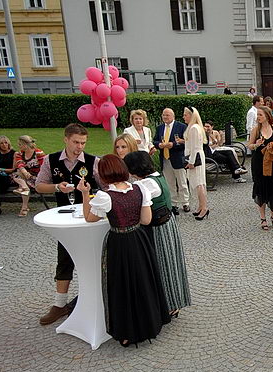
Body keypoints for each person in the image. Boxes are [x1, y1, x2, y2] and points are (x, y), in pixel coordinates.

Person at [78, 154, 170, 347]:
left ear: (103, 174)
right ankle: (151, 322)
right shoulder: (140, 189)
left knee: (122, 284)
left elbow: (89, 217)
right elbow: (146, 220)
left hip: (120, 243)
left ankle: (128, 330)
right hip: (139, 239)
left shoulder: (105, 197)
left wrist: (85, 194)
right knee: (143, 279)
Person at [35, 123, 101, 325]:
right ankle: (59, 304)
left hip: (89, 219)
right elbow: (39, 186)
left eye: (83, 143)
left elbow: (107, 187)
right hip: (65, 220)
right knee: (64, 259)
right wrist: (57, 187)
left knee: (96, 258)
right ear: (66, 139)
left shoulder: (93, 161)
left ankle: (98, 299)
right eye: (76, 142)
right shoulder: (51, 160)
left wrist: (92, 195)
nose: (79, 147)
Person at [125, 151, 192, 318]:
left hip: (159, 228)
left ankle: (169, 305)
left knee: (164, 265)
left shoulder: (145, 184)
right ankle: (173, 302)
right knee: (172, 263)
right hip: (168, 224)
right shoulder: (157, 177)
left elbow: (131, 203)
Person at [248, 106, 273, 231]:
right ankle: (263, 218)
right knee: (260, 189)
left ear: (267, 116)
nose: (258, 117)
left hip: (272, 162)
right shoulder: (256, 129)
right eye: (257, 115)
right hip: (259, 162)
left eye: (260, 115)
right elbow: (249, 145)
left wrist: (272, 146)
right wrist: (256, 145)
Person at [154, 108, 190, 215]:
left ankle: (185, 202)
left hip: (177, 158)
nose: (165, 117)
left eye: (167, 115)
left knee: (182, 182)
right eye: (163, 115)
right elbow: (155, 141)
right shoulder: (160, 128)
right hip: (165, 159)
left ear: (173, 116)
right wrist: (159, 145)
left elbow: (186, 142)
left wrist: (173, 144)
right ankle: (173, 204)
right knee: (170, 183)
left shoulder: (181, 126)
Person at [182, 107, 210, 220]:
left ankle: (204, 208)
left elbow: (195, 147)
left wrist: (191, 162)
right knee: (199, 183)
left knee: (199, 184)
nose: (184, 117)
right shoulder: (195, 127)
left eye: (185, 115)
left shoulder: (194, 128)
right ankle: (201, 206)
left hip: (195, 157)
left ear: (191, 115)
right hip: (196, 156)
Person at [10, 135, 45, 217]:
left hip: (38, 177)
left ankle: (24, 206)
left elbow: (44, 167)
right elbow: (20, 165)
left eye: (20, 144)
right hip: (25, 176)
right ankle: (25, 189)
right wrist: (25, 173)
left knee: (20, 179)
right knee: (18, 174)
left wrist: (29, 175)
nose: (18, 146)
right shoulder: (20, 154)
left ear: (25, 144)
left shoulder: (38, 153)